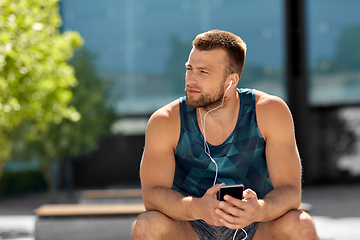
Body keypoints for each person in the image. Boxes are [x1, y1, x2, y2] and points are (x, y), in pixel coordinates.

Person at [131, 30, 319, 240]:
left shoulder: (269, 111)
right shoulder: (165, 121)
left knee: (301, 225)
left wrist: (260, 210)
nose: (191, 80)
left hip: (257, 226)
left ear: (231, 81)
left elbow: (291, 190)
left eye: (203, 72)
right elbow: (152, 195)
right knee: (147, 225)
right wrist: (197, 208)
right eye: (189, 69)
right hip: (190, 228)